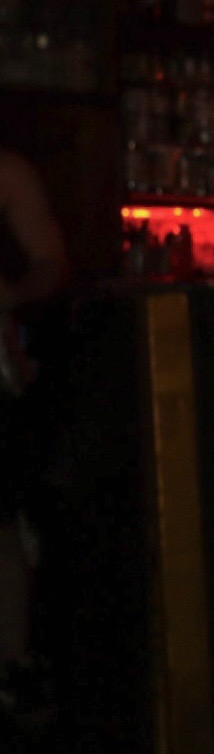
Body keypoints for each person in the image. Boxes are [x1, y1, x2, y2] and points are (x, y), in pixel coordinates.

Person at [0, 148, 67, 711]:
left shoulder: (8, 172)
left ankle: (12, 670)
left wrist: (12, 297)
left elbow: (51, 262)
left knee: (2, 523)